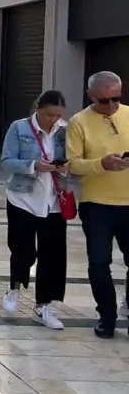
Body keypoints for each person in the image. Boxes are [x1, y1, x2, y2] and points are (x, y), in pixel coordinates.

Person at [0, 90, 70, 330]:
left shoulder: (65, 130)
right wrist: (33, 166)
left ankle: (43, 307)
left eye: (58, 116)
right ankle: (14, 287)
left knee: (53, 255)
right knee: (23, 250)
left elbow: (75, 159)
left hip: (54, 201)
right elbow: (7, 161)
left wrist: (66, 167)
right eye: (50, 114)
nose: (53, 120)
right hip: (23, 197)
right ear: (38, 109)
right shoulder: (19, 128)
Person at [66, 71, 129, 339]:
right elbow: (73, 164)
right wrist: (102, 164)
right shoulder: (78, 122)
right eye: (105, 101)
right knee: (100, 263)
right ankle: (107, 316)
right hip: (97, 206)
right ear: (91, 96)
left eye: (117, 99)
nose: (112, 106)